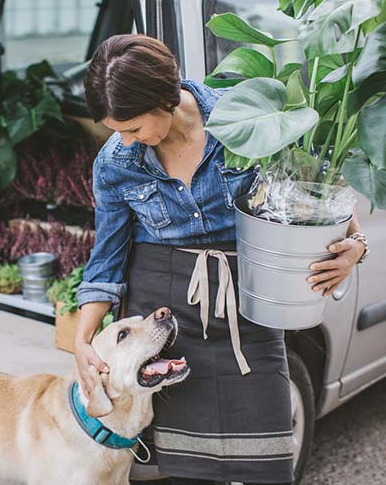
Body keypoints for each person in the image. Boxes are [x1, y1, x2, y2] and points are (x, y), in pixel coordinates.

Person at [74, 34, 368, 485]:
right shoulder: (116, 162)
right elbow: (106, 258)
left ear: (163, 99)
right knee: (179, 472)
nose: (125, 140)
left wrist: (355, 244)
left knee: (268, 467)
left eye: (132, 127)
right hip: (164, 320)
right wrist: (83, 339)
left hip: (245, 304)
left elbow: (312, 190)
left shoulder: (248, 114)